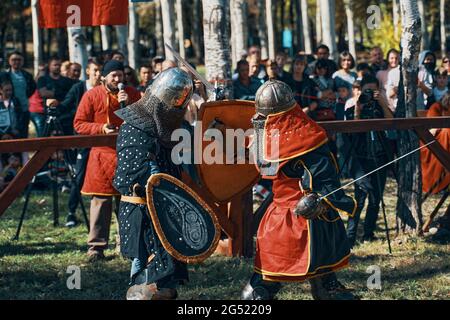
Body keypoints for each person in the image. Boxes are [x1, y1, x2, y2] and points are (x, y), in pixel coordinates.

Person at [242, 80, 357, 300]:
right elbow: (326, 179)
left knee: (320, 277)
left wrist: (258, 128)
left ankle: (328, 286)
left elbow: (264, 165)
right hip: (302, 219)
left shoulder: (265, 137)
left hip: (284, 218)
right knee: (263, 287)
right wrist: (326, 201)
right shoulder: (308, 135)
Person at [113, 67, 194, 300]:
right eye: (175, 105)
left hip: (164, 211)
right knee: (145, 281)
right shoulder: (135, 124)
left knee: (165, 284)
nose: (178, 111)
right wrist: (156, 178)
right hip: (142, 212)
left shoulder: (168, 126)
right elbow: (130, 175)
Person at [73, 60, 141, 261]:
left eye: (120, 75)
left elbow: (144, 118)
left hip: (127, 155)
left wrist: (127, 103)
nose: (118, 79)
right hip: (101, 156)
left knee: (128, 202)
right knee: (101, 203)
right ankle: (96, 247)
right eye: (114, 76)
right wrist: (101, 128)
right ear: (104, 77)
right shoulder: (92, 95)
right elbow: (79, 124)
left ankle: (127, 246)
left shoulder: (132, 93)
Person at [345, 74, 393, 247]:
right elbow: (352, 132)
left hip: (380, 157)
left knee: (376, 198)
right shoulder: (351, 110)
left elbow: (391, 122)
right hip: (361, 160)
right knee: (359, 198)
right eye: (367, 90)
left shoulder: (379, 109)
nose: (370, 94)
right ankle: (350, 236)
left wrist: (382, 102)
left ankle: (368, 233)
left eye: (373, 90)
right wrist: (358, 108)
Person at [62, 59, 102, 227]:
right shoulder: (79, 88)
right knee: (79, 176)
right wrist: (55, 104)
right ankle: (71, 212)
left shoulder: (105, 90)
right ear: (88, 71)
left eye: (100, 70)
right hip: (84, 138)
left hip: (102, 139)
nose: (98, 74)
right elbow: (66, 105)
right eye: (95, 70)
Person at [0, 51, 36, 139]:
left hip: (23, 109)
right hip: (7, 110)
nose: (16, 62)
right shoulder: (4, 75)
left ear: (22, 61)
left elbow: (32, 88)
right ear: (9, 61)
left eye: (19, 60)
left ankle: (22, 153)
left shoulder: (27, 75)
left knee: (22, 135)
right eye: (14, 60)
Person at [37, 56, 77, 135]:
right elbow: (43, 93)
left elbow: (71, 94)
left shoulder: (66, 80)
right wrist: (60, 93)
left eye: (59, 65)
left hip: (64, 112)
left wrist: (53, 92)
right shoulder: (43, 79)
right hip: (48, 113)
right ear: (49, 66)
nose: (57, 67)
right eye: (55, 65)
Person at [421, 92, 450, 194]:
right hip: (434, 141)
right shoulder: (437, 107)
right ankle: (439, 183)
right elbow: (432, 130)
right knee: (447, 132)